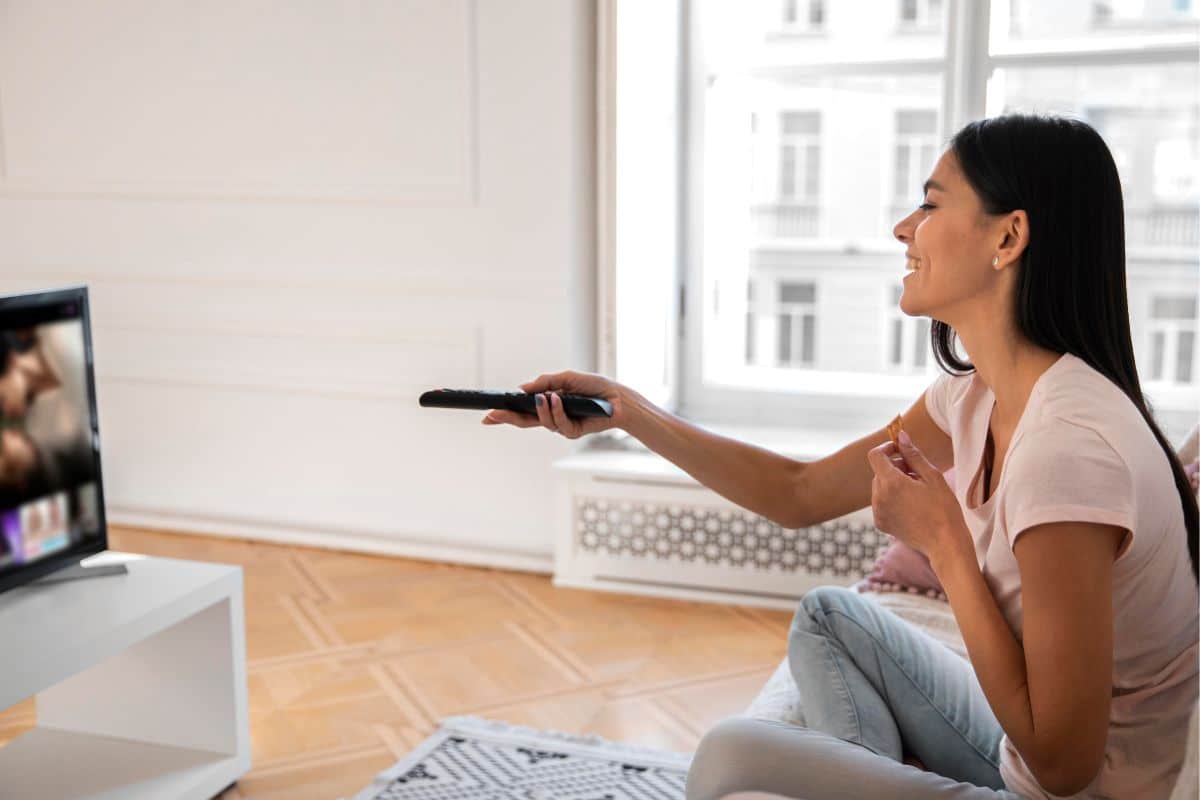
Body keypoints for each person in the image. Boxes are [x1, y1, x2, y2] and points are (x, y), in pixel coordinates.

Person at [483, 113, 1200, 799]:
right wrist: (628, 412)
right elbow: (796, 492)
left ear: (1008, 237)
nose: (902, 229)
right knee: (831, 616)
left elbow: (1067, 764)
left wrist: (945, 543)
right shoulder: (974, 397)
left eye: (929, 205)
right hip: (1019, 763)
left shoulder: (1069, 450)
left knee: (727, 757)